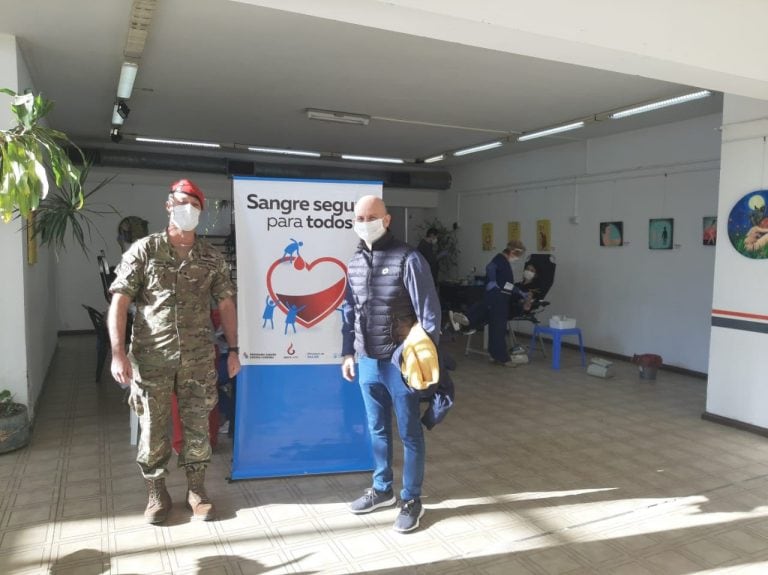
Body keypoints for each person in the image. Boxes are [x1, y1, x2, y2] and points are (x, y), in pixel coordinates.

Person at [107, 178, 240, 525]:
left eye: (194, 205)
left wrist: (235, 349)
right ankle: (156, 493)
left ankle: (196, 490)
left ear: (201, 210)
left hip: (198, 359)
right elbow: (119, 302)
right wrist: (118, 352)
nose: (188, 210)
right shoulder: (144, 250)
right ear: (169, 206)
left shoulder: (210, 257)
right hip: (152, 359)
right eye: (182, 203)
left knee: (198, 426)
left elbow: (226, 304)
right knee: (152, 428)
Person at [341, 195, 441, 533]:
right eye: (359, 217)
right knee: (377, 430)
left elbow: (429, 314)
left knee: (410, 433)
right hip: (367, 361)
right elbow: (349, 313)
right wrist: (347, 352)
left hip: (401, 364)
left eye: (372, 216)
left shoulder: (408, 258)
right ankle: (382, 489)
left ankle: (411, 498)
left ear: (387, 220)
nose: (364, 221)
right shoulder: (354, 263)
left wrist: (420, 360)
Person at [448, 240, 529, 367]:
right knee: (498, 328)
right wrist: (492, 281)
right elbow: (490, 267)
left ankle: (465, 321)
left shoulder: (505, 263)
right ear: (513, 251)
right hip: (498, 298)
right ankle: (502, 358)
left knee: (490, 322)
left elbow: (506, 284)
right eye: (518, 255)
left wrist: (519, 292)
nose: (517, 258)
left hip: (498, 297)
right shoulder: (500, 258)